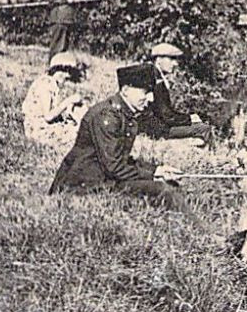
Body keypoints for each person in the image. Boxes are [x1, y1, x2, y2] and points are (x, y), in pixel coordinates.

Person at [48, 64, 183, 207]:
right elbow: (114, 167)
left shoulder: (124, 114)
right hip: (82, 186)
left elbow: (119, 159)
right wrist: (153, 175)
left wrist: (157, 170)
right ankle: (195, 227)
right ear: (125, 90)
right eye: (145, 92)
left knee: (169, 186)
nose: (151, 98)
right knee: (163, 189)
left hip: (103, 178)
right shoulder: (106, 116)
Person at [139, 42, 224, 142]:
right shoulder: (157, 81)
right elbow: (167, 116)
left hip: (154, 126)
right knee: (204, 128)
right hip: (159, 130)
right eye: (171, 59)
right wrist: (189, 119)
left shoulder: (153, 75)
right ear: (159, 59)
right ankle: (211, 155)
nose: (175, 63)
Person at [22, 52, 90, 147]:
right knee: (81, 134)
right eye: (67, 71)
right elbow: (48, 116)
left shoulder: (52, 84)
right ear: (58, 70)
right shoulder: (45, 84)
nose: (68, 76)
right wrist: (68, 101)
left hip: (42, 126)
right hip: (38, 129)